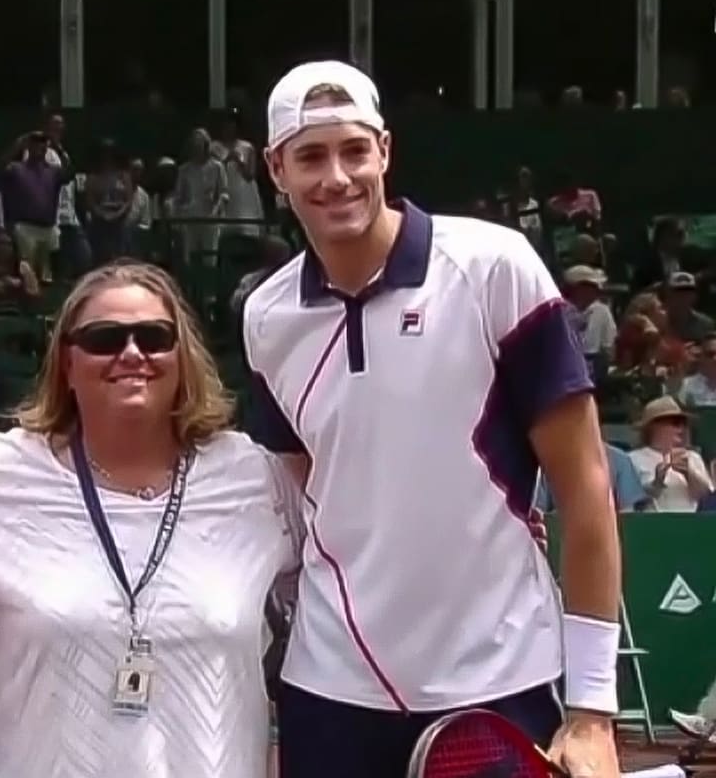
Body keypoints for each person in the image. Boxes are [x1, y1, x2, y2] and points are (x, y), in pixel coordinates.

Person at [243, 61, 622, 778]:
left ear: (384, 150)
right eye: (311, 156)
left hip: (497, 679)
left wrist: (594, 710)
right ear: (275, 169)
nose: (337, 177)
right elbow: (297, 495)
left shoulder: (492, 266)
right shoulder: (266, 318)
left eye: (354, 150)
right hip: (329, 687)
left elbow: (586, 486)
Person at [0, 261, 305, 778]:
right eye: (104, 338)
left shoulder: (256, 481)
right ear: (66, 361)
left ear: (183, 356)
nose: (132, 354)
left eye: (155, 337)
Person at [627, 396, 711, 512]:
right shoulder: (632, 459)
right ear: (654, 427)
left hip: (691, 524)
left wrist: (689, 473)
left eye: (683, 423)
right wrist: (657, 482)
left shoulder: (693, 457)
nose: (681, 428)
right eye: (675, 423)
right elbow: (631, 501)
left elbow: (706, 497)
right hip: (651, 525)